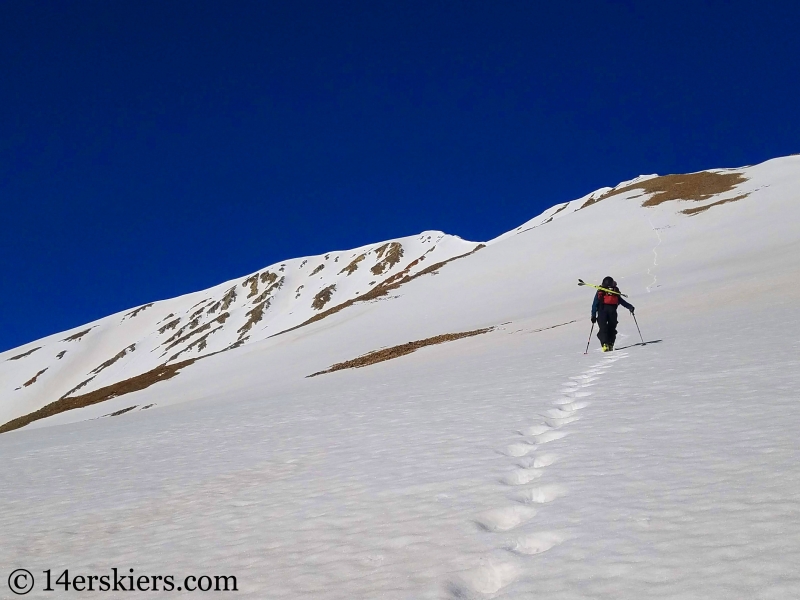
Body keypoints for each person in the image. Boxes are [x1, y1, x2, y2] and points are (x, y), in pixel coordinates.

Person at [591, 276, 634, 351]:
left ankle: (605, 344)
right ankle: (610, 343)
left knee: (603, 328)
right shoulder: (614, 291)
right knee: (611, 328)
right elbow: (621, 301)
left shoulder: (600, 291)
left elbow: (595, 304)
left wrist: (593, 315)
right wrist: (630, 307)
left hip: (602, 311)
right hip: (612, 312)